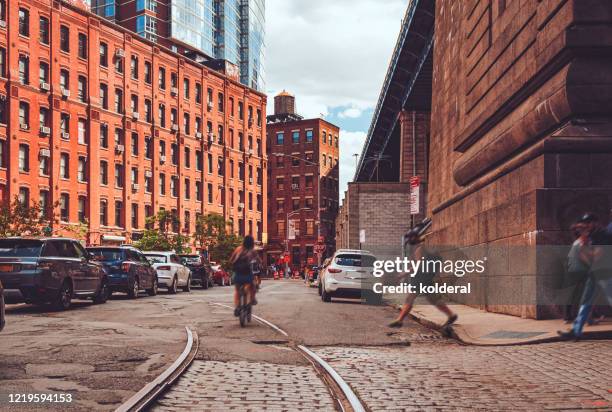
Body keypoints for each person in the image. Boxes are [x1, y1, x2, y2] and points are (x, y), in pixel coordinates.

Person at [388, 226, 458, 328]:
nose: (408, 240)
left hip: (420, 278)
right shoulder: (422, 247)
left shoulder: (419, 248)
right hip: (426, 277)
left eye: (410, 238)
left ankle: (399, 320)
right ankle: (451, 315)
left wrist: (403, 274)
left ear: (414, 237)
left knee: (410, 298)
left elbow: (418, 265)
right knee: (433, 299)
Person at [559, 213, 612, 340]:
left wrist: (584, 247)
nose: (587, 225)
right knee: (585, 302)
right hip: (594, 273)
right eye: (585, 223)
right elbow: (589, 260)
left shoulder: (603, 235)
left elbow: (597, 256)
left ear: (596, 222)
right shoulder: (591, 236)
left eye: (589, 222)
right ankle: (576, 331)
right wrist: (583, 247)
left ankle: (576, 331)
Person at [563, 221, 590, 322]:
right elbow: (582, 255)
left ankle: (568, 316)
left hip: (573, 270)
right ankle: (583, 317)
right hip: (578, 270)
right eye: (586, 230)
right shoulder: (581, 241)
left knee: (573, 294)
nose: (588, 232)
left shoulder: (577, 241)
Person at [229, 236, 261, 316]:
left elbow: (231, 260)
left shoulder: (238, 249)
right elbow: (258, 261)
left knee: (237, 290)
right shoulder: (252, 251)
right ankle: (252, 299)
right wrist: (260, 265)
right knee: (253, 285)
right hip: (247, 273)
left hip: (237, 273)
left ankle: (237, 307)